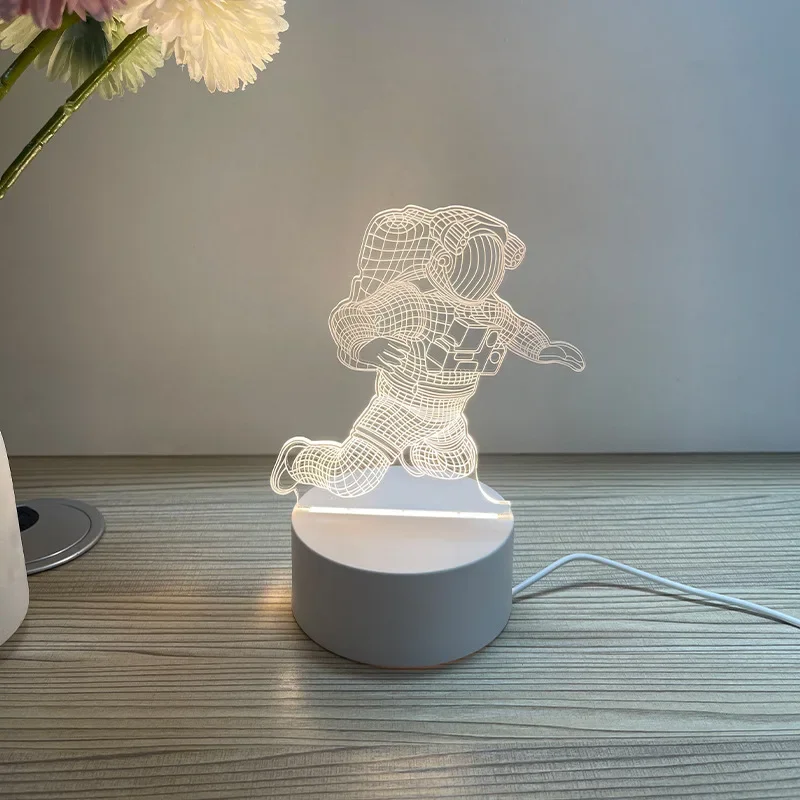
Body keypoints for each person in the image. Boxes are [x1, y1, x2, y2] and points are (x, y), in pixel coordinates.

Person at [271, 205, 584, 498]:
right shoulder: (413, 302)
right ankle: (299, 460)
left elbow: (516, 329)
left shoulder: (489, 309)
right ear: (442, 260)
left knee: (458, 465)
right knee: (352, 478)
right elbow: (352, 317)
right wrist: (364, 344)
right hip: (397, 410)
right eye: (471, 269)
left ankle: (413, 453)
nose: (477, 287)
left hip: (449, 416)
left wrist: (543, 348)